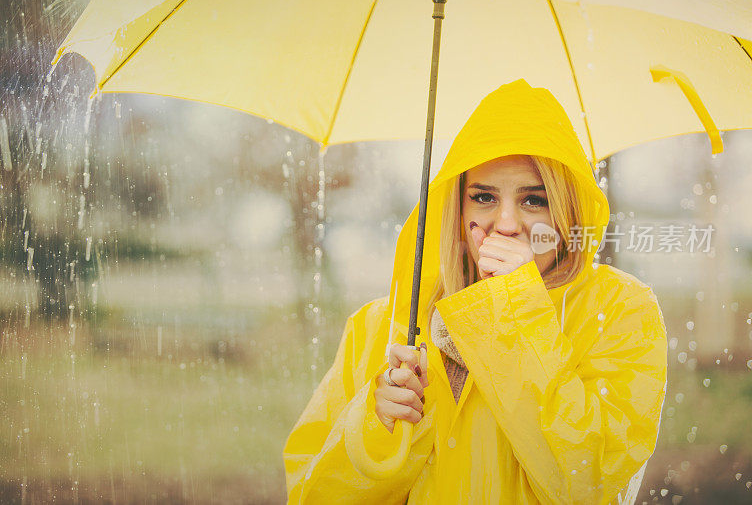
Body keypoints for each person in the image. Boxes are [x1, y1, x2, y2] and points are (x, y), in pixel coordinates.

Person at [283, 79, 668, 504]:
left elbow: (591, 482)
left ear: (567, 210)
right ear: (456, 207)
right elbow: (310, 496)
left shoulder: (620, 310)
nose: (505, 224)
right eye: (483, 197)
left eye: (534, 200)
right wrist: (376, 430)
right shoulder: (382, 326)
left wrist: (517, 309)